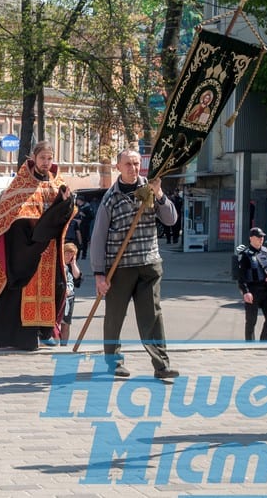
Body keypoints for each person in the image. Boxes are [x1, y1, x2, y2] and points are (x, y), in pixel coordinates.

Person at [0, 141, 74, 350]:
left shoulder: (57, 184)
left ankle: (46, 329)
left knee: (53, 288)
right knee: (23, 293)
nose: (46, 162)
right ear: (33, 158)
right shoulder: (20, 185)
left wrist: (65, 203)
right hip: (24, 249)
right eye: (42, 158)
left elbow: (66, 211)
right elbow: (10, 216)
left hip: (50, 251)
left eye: (49, 158)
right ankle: (24, 337)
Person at [90, 147, 178, 379]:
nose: (133, 168)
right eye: (128, 164)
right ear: (118, 167)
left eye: (137, 163)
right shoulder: (111, 198)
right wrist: (99, 273)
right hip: (120, 268)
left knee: (153, 315)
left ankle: (162, 365)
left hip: (149, 263)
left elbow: (171, 219)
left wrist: (160, 196)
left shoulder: (150, 188)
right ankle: (114, 362)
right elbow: (98, 238)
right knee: (115, 316)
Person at [237, 227, 267, 342]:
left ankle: (263, 342)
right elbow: (241, 277)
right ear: (251, 238)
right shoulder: (245, 255)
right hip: (253, 291)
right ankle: (250, 345)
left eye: (262, 237)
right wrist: (246, 292)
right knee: (251, 321)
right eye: (258, 237)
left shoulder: (266, 251)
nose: (261, 239)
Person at [58, 242, 83, 346]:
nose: (69, 256)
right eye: (67, 253)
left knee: (66, 324)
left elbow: (77, 278)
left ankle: (64, 346)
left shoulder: (72, 266)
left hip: (69, 300)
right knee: (55, 325)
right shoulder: (58, 265)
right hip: (59, 298)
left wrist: (73, 264)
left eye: (72, 254)